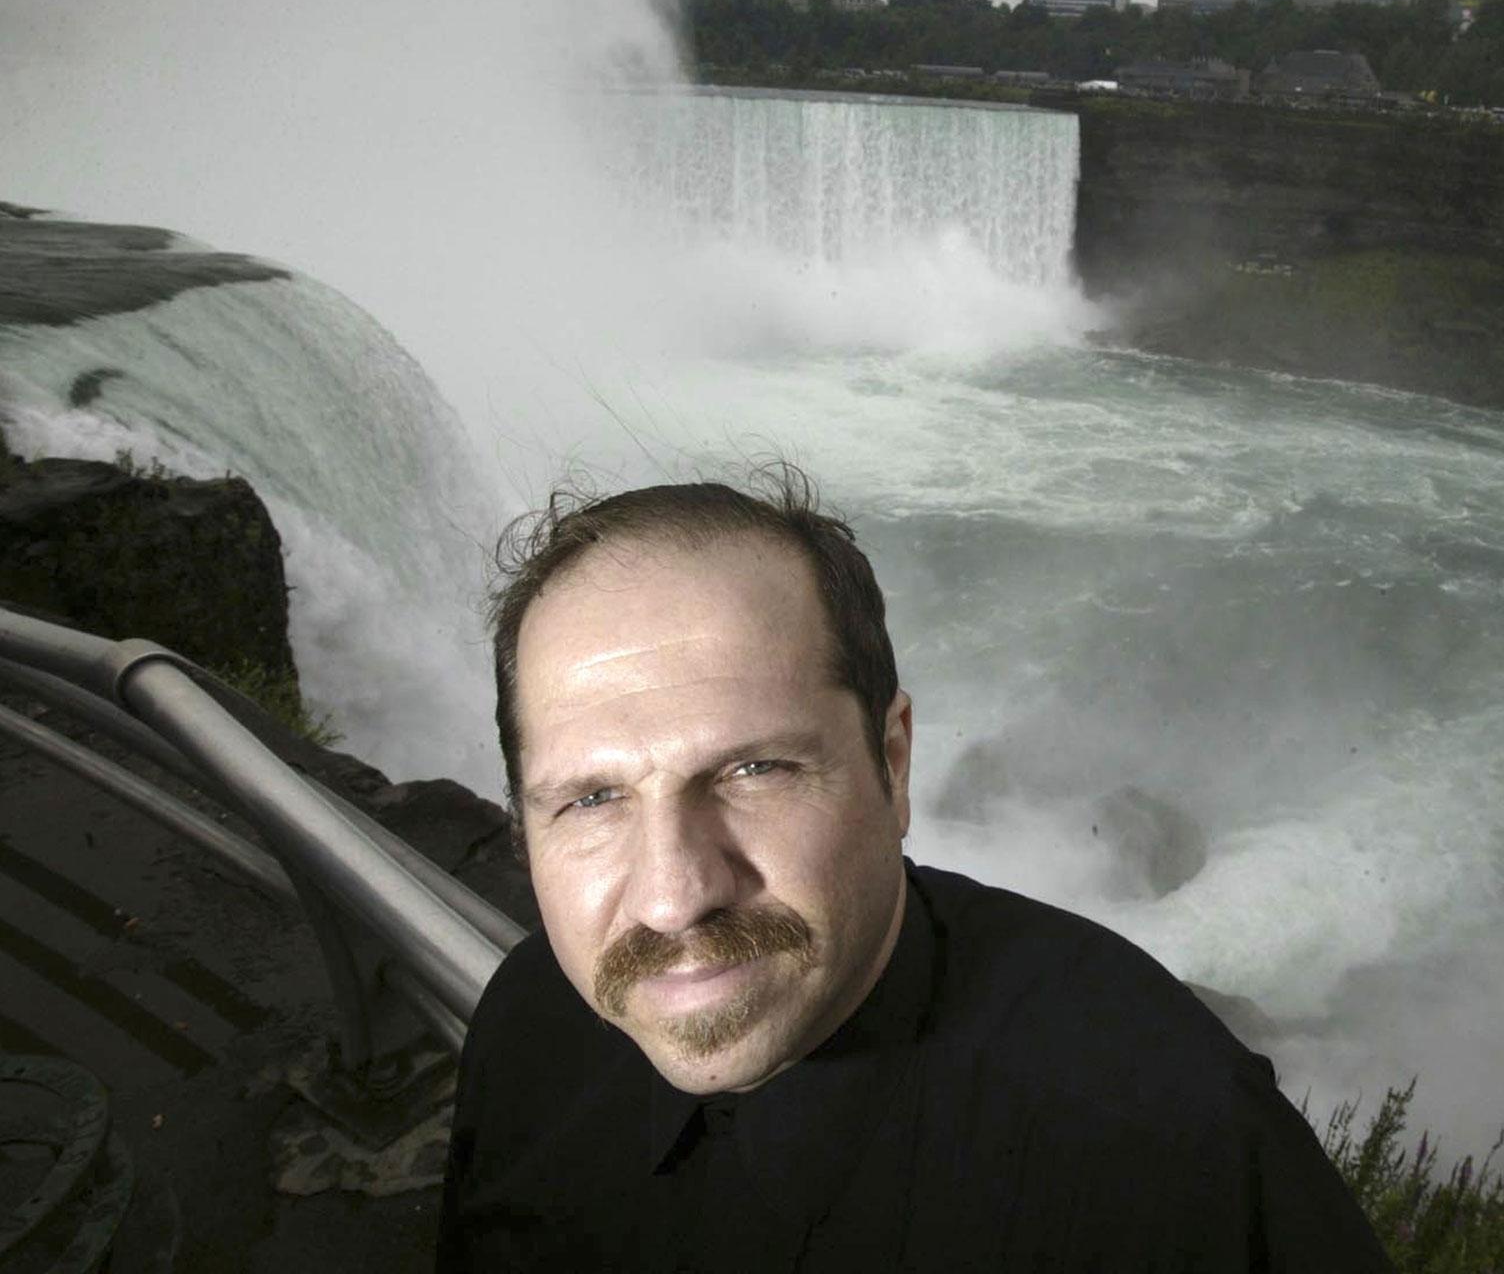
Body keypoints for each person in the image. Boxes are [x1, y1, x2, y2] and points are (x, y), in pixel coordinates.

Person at [438, 471, 1394, 1272]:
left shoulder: (1170, 1151)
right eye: (591, 800)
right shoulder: (532, 1024)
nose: (674, 896)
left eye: (752, 770)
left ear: (892, 762)